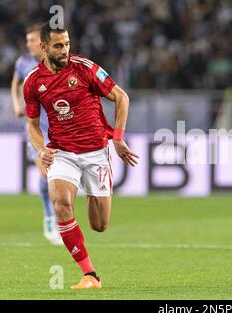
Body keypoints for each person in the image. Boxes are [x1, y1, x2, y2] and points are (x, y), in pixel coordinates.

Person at [23, 22, 139, 289]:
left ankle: (88, 189)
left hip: (96, 152)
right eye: (58, 46)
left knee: (99, 225)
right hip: (62, 152)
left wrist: (118, 139)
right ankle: (90, 275)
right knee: (60, 203)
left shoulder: (85, 68)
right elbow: (31, 124)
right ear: (44, 48)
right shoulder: (33, 82)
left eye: (67, 44)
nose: (65, 51)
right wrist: (41, 150)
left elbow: (121, 97)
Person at [11, 23, 62, 245]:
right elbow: (15, 84)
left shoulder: (55, 62)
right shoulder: (23, 63)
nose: (28, 44)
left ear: (42, 44)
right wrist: (16, 105)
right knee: (46, 173)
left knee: (56, 176)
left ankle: (55, 218)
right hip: (35, 129)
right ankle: (52, 219)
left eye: (31, 40)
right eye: (27, 41)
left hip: (59, 128)